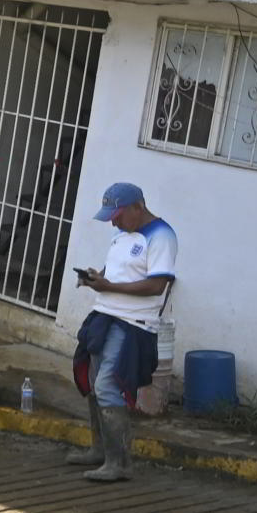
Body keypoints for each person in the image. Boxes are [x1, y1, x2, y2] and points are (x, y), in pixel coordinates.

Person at [70, 182, 177, 483]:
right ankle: (100, 450)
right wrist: (96, 278)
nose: (113, 222)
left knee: (107, 385)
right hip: (104, 316)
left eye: (117, 215)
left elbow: (158, 285)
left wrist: (109, 287)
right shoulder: (123, 234)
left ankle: (120, 462)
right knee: (92, 383)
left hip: (131, 324)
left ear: (138, 208)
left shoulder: (162, 236)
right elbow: (115, 273)